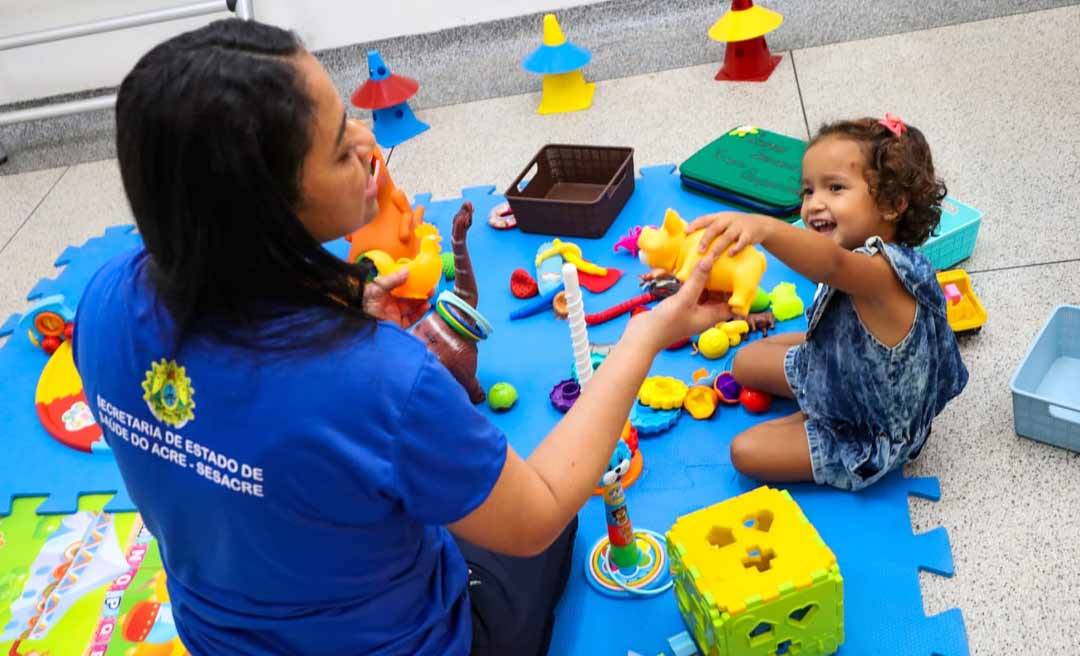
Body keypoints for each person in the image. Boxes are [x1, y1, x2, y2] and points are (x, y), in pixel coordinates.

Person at [72, 19, 732, 656]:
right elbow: (538, 516)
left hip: (220, 635)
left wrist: (331, 302)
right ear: (271, 210)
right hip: (409, 641)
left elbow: (237, 418)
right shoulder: (383, 379)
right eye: (338, 146)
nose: (367, 143)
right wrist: (647, 333)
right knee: (555, 525)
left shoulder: (103, 299)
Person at [687, 115, 969, 491]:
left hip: (868, 430)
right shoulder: (852, 252)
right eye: (807, 191)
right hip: (838, 373)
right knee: (742, 363)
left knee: (745, 451)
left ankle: (813, 416)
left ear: (891, 204)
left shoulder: (882, 272)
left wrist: (767, 227)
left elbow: (831, 265)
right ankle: (814, 405)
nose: (814, 204)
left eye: (835, 188)